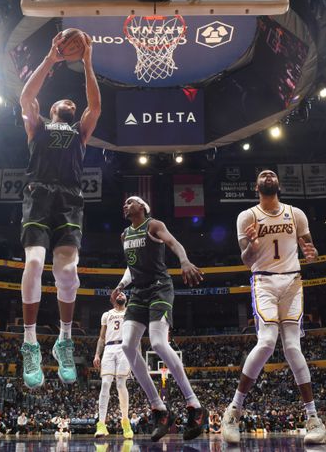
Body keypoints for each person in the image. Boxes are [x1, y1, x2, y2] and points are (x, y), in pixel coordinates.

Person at [17, 31, 101, 388]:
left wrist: (87, 61)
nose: (68, 102)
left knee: (67, 271)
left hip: (69, 199)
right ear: (53, 110)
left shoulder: (80, 130)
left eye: (71, 101)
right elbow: (26, 97)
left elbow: (95, 107)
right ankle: (30, 342)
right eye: (62, 100)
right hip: (38, 195)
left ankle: (64, 339)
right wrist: (51, 59)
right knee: (35, 263)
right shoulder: (37, 125)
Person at [221, 170, 326, 445]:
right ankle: (234, 411)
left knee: (293, 347)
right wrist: (253, 244)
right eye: (262, 175)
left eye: (272, 173)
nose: (268, 175)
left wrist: (312, 253)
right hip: (264, 282)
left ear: (278, 184)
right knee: (267, 342)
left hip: (292, 280)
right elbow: (246, 259)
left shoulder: (296, 213)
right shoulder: (247, 216)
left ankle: (313, 419)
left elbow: (309, 248)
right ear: (256, 186)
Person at [112, 196, 205, 442]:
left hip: (160, 287)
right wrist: (121, 285)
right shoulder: (124, 236)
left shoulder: (153, 225)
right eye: (125, 203)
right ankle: (159, 410)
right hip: (139, 291)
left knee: (158, 343)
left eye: (130, 202)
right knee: (127, 345)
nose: (126, 205)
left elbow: (174, 243)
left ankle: (194, 405)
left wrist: (184, 261)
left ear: (143, 207)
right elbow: (132, 267)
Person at [93, 292, 133, 438]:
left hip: (125, 348)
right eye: (119, 293)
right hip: (109, 349)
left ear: (126, 299)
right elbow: (101, 337)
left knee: (121, 385)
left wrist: (137, 357)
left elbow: (137, 335)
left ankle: (125, 421)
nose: (121, 294)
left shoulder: (131, 312)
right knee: (105, 384)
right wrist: (97, 354)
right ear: (113, 298)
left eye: (124, 294)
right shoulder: (107, 314)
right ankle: (101, 424)